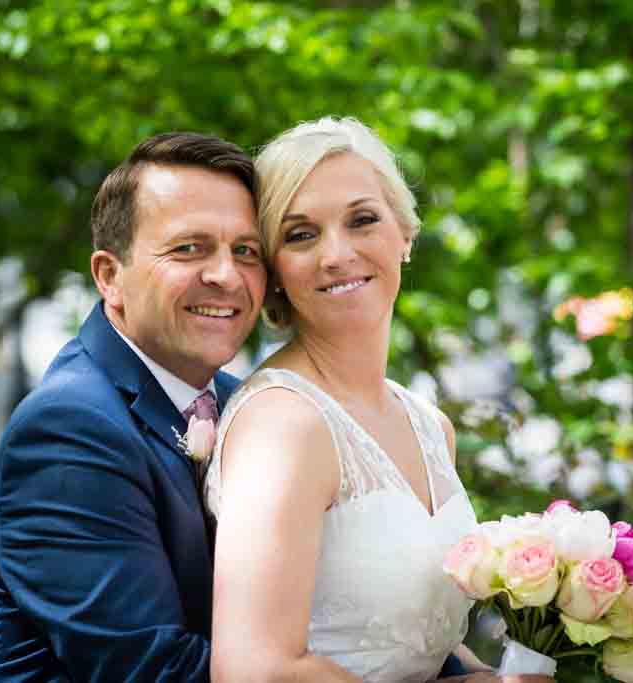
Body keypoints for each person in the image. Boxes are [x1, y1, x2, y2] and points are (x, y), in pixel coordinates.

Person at [204, 117, 496, 682]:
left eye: (362, 220)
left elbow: (417, 642)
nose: (336, 254)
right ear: (276, 271)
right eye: (300, 235)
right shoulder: (283, 424)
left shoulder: (431, 427)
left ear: (404, 234)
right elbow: (254, 670)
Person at [0, 132, 266, 682]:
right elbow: (155, 671)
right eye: (189, 248)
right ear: (110, 277)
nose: (227, 275)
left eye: (245, 251)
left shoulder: (250, 403)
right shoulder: (67, 429)